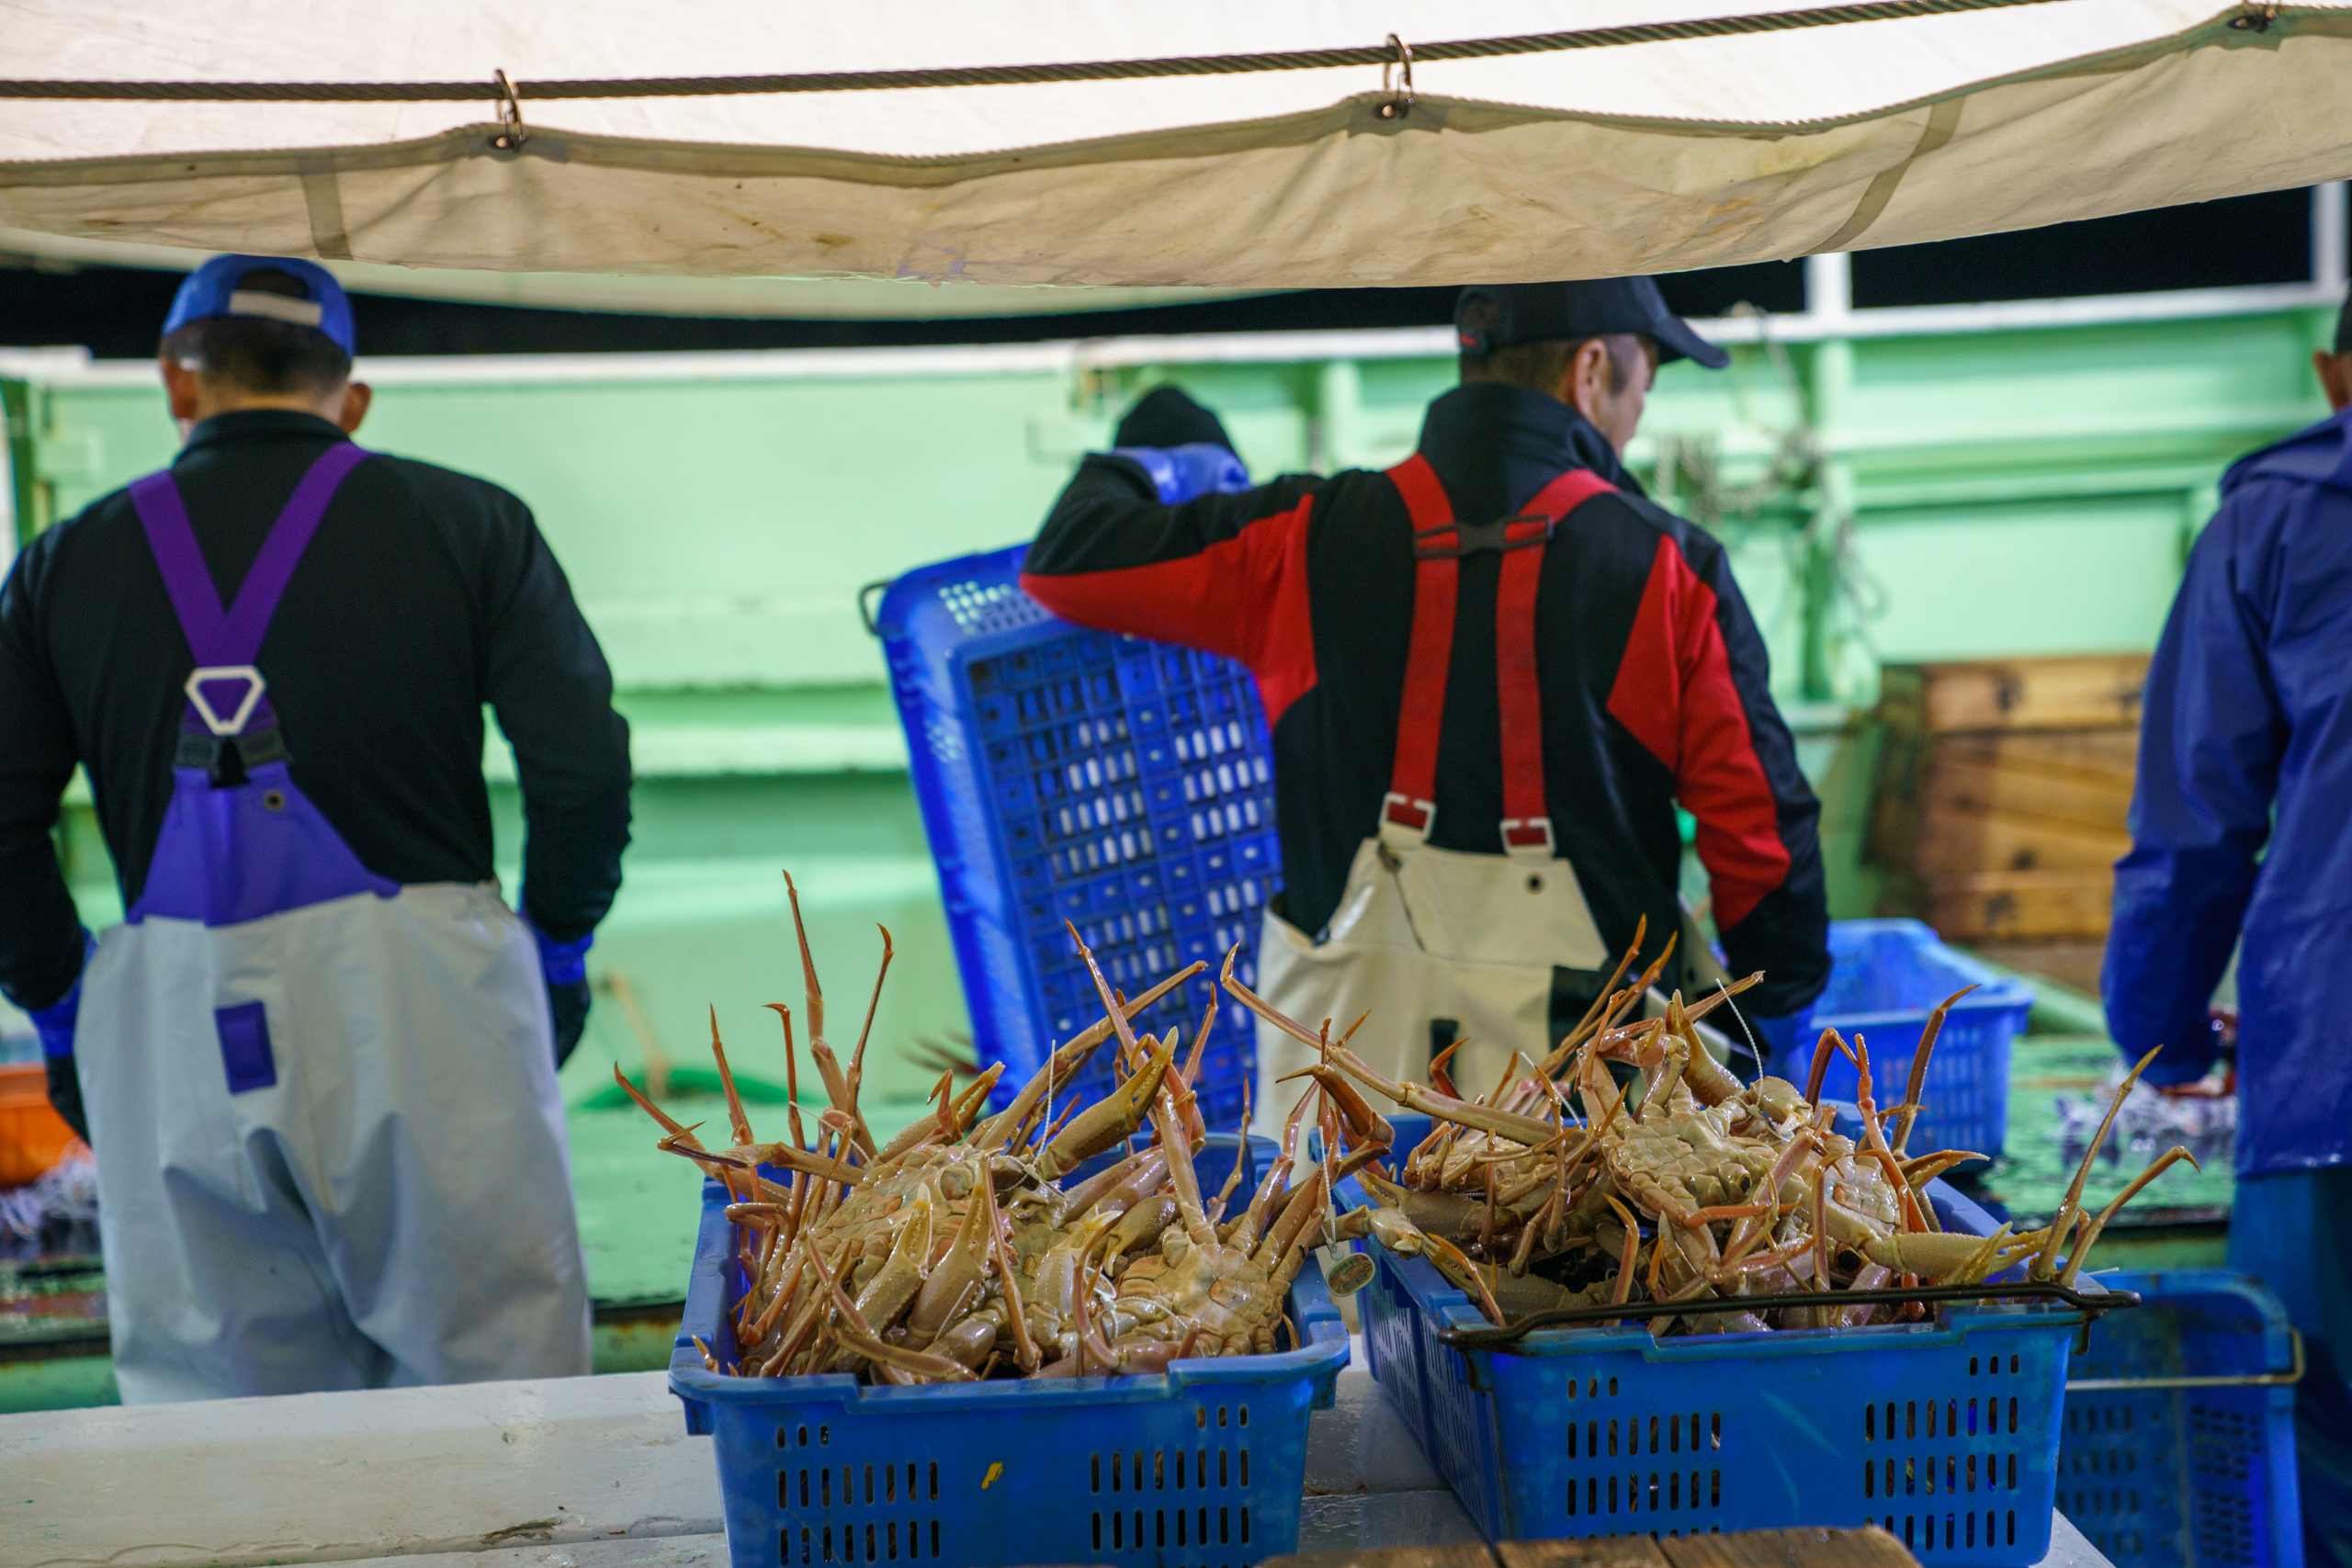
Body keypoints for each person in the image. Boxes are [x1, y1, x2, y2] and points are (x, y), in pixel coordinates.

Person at [0, 255, 633, 1403]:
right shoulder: (472, 523)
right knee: (500, 1417)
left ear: (178, 387)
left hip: (172, 1026)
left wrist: (61, 1008)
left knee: (224, 1453)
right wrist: (560, 947)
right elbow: (582, 767)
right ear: (351, 401)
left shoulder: (57, 566)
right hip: (428, 1013)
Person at [1023, 277, 1829, 1112]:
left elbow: (1070, 557)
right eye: (1644, 390)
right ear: (1591, 370)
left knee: (1343, 1239)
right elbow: (1762, 842)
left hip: (1340, 1144)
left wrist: (1160, 440)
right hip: (1598, 1156)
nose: (1634, 424)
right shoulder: (1670, 569)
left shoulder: (1302, 536)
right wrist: (1777, 1014)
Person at [2103, 290, 2352, 1568]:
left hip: (2333, 1080)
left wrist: (2160, 1032)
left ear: (2333, 370)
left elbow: (2196, 829)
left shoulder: (2277, 518)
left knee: (2324, 1456)